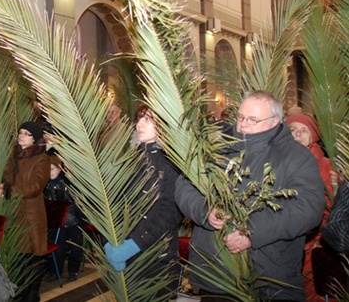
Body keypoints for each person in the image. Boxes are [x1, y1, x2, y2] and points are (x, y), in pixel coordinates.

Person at [175, 91, 326, 301]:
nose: (243, 124)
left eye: (253, 119)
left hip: (268, 279)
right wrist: (205, 210)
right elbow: (184, 185)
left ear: (274, 121)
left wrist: (250, 233)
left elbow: (308, 208)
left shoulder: (296, 156)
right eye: (241, 117)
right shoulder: (218, 148)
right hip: (216, 275)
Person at [103, 105, 183, 298]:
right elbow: (117, 200)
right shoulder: (131, 159)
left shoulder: (172, 162)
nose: (140, 124)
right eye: (138, 119)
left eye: (147, 119)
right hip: (129, 251)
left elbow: (171, 210)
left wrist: (136, 243)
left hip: (157, 255)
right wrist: (109, 238)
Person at [0, 121, 50, 302]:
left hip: (31, 214)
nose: (21, 135)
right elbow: (6, 177)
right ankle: (22, 292)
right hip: (14, 213)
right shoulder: (14, 156)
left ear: (34, 138)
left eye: (26, 133)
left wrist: (9, 190)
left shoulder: (42, 158)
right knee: (19, 256)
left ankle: (32, 293)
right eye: (20, 132)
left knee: (33, 255)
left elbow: (35, 187)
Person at [286, 113, 334, 302]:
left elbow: (330, 209)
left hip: (312, 243)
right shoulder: (279, 162)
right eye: (292, 129)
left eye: (303, 130)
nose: (297, 134)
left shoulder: (324, 166)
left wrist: (320, 241)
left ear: (312, 136)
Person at [43, 155, 84, 282]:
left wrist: (66, 198)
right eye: (47, 170)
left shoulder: (67, 182)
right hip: (57, 220)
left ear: (60, 168)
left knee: (75, 247)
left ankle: (73, 271)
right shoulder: (46, 184)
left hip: (73, 219)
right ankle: (55, 272)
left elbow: (76, 199)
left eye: (52, 169)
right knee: (58, 246)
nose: (49, 173)